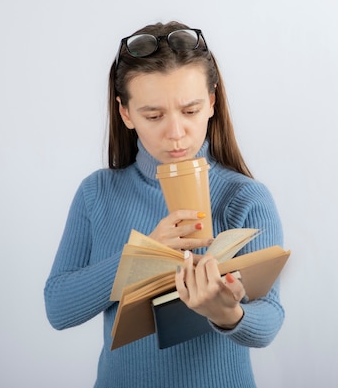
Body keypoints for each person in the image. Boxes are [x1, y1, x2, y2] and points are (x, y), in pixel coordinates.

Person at [44, 21, 285, 388]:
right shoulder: (98, 193)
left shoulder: (245, 197)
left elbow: (269, 321)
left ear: (212, 103)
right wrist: (142, 258)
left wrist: (227, 314)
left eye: (190, 110)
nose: (175, 133)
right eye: (153, 116)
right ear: (126, 113)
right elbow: (58, 308)